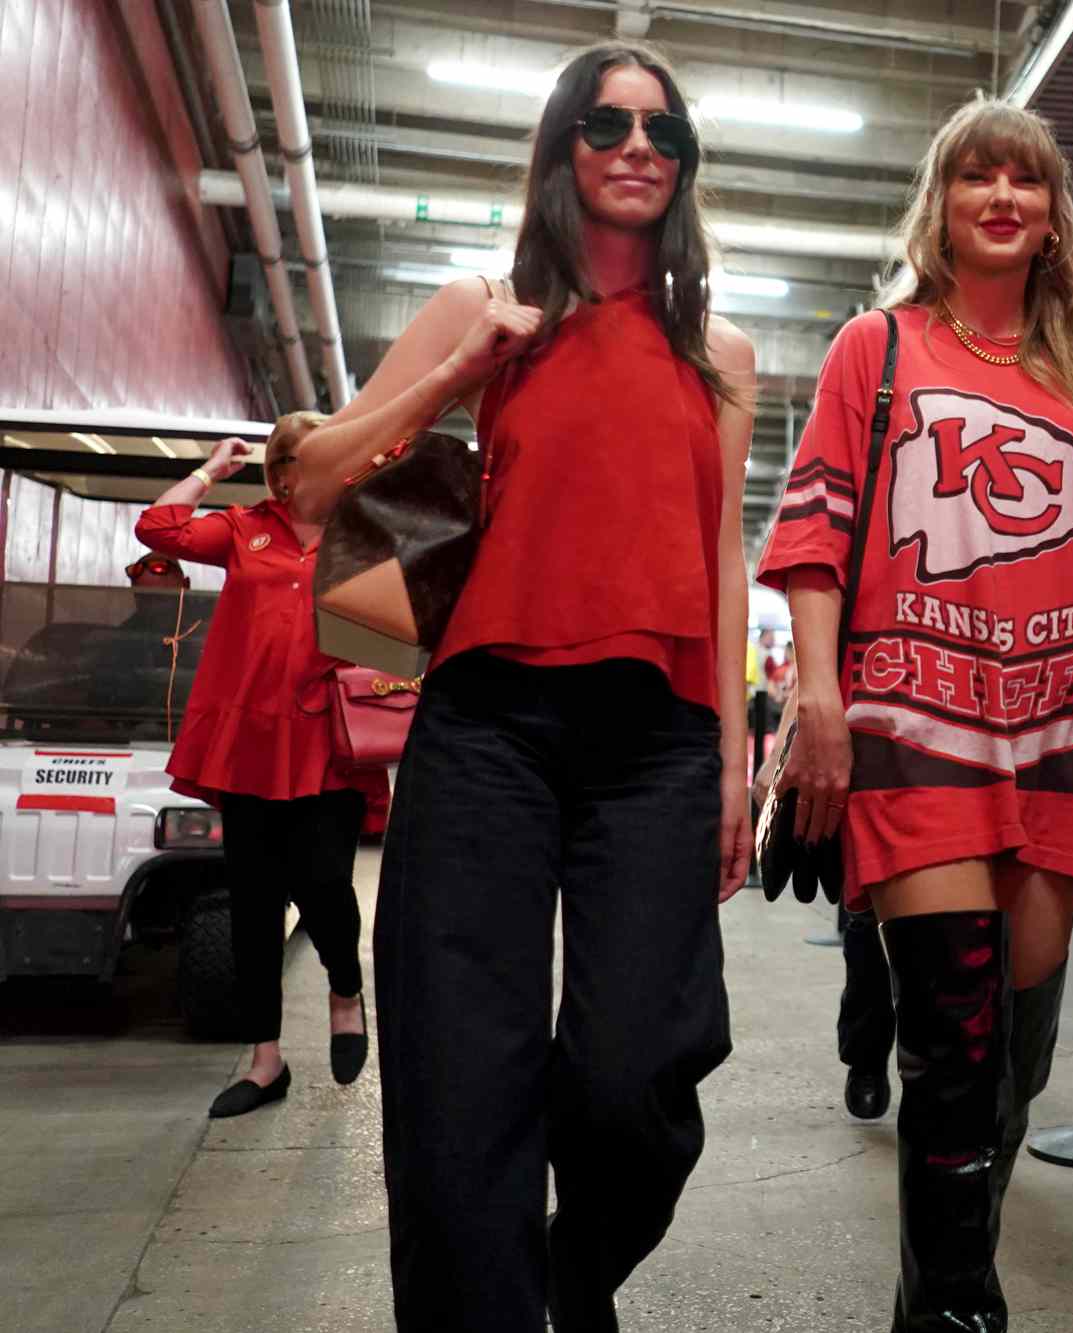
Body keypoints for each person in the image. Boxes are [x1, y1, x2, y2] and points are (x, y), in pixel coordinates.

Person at [290, 43, 755, 1332]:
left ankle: (567, 1274)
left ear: (685, 165)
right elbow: (309, 484)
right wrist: (460, 371)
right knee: (457, 1077)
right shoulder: (478, 304)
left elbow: (722, 559)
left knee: (635, 1075)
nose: (635, 145)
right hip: (487, 728)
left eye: (662, 130)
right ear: (560, 147)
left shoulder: (720, 352)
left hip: (658, 743)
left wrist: (733, 763)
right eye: (604, 123)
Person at [757, 96, 1073, 1333]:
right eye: (977, 179)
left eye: (1026, 181)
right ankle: (961, 1304)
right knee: (950, 1040)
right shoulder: (878, 345)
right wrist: (817, 693)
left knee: (1013, 1046)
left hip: (1056, 733)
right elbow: (817, 529)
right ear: (941, 208)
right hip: (915, 720)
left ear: (1053, 219)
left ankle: (928, 1290)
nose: (1002, 198)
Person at [134, 413, 386, 1118]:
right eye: (320, 458)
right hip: (248, 746)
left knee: (326, 881)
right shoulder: (246, 528)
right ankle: (265, 1059)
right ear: (285, 472)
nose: (336, 468)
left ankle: (345, 985)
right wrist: (214, 468)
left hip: (328, 744)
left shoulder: (362, 534)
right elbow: (158, 528)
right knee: (252, 903)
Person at [752, 706, 895, 1122]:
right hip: (877, 719)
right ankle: (866, 1054)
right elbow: (812, 660)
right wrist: (783, 748)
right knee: (868, 908)